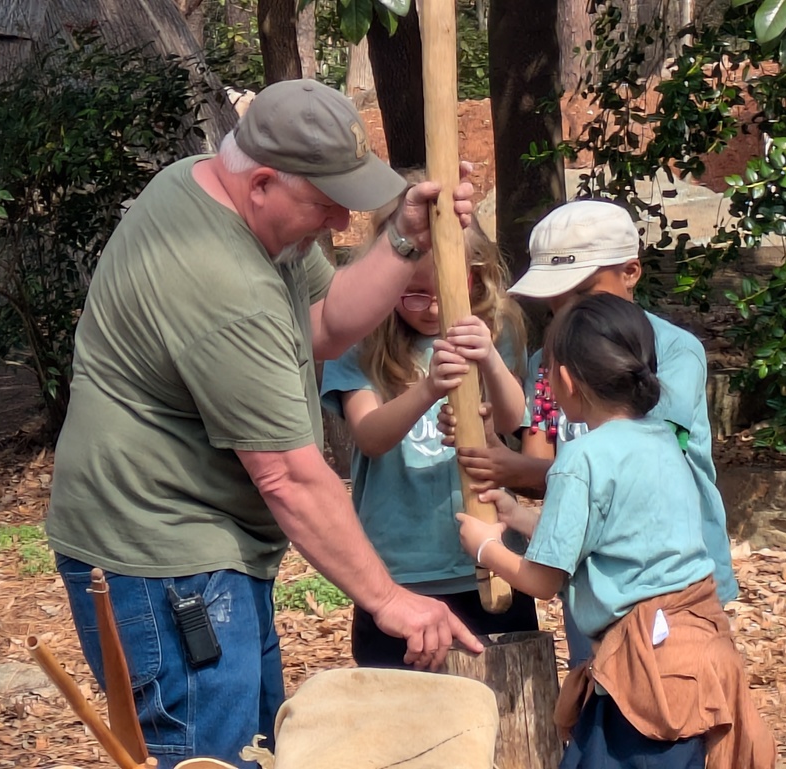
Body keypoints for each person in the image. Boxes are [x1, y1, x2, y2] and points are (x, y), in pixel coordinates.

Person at [45, 78, 484, 769]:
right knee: (213, 758)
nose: (340, 221)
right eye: (326, 201)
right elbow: (289, 476)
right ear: (262, 184)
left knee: (256, 750)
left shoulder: (213, 188)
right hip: (162, 560)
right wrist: (389, 599)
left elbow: (325, 322)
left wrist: (404, 239)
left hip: (205, 544)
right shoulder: (223, 283)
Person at [456, 293, 776, 769]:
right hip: (696, 657)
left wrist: (486, 548)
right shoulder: (662, 440)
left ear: (565, 379)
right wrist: (517, 516)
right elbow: (609, 534)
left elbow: (543, 580)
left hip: (644, 674)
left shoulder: (581, 458)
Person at [441, 199, 738, 664]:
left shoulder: (674, 353)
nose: (566, 311)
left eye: (581, 292)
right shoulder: (549, 362)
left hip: (672, 583)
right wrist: (498, 461)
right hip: (595, 578)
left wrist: (506, 489)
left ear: (631, 272)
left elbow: (625, 473)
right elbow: (546, 462)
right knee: (605, 680)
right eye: (554, 299)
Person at [320, 217, 539, 668]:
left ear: (475, 276)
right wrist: (428, 389)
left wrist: (490, 360)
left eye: (446, 288)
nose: (433, 307)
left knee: (500, 696)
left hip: (491, 558)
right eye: (415, 293)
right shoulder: (361, 342)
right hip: (401, 571)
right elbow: (369, 436)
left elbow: (512, 421)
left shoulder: (496, 331)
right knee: (403, 700)